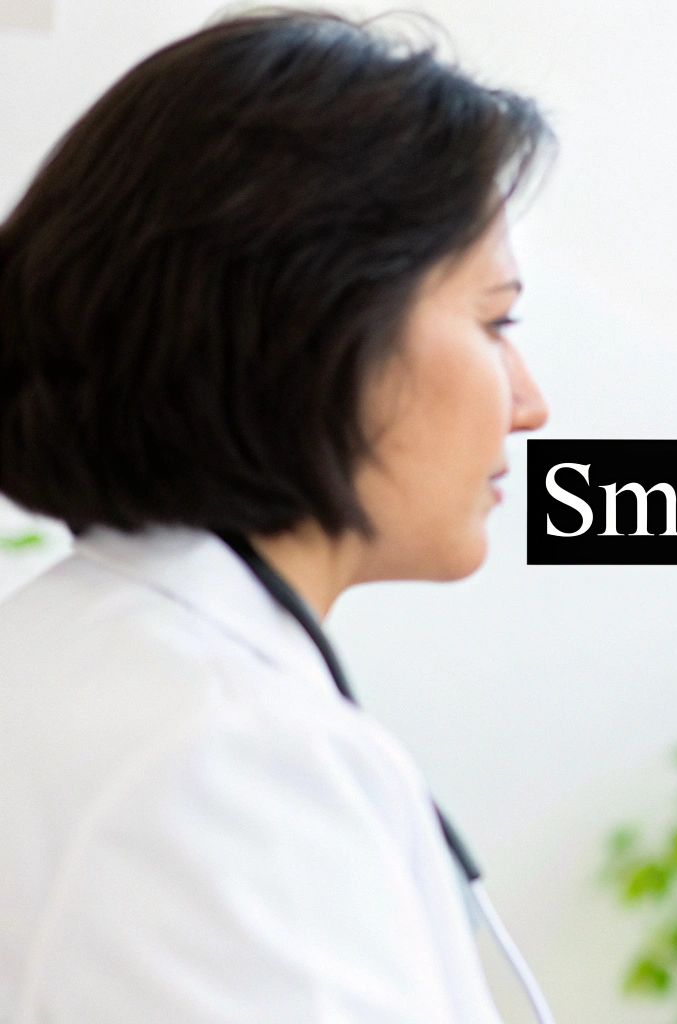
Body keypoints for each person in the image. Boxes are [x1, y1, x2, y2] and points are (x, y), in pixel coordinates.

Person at [0, 11, 553, 1021]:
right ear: (323, 325)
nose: (528, 402)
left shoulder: (65, 648)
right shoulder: (230, 753)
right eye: (493, 321)